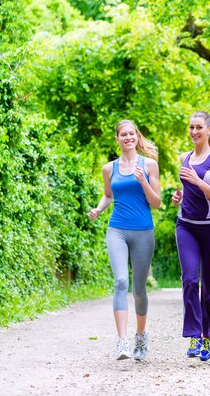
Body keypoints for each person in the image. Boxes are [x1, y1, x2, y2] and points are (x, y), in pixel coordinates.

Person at [89, 120, 161, 361]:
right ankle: (122, 342)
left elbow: (156, 202)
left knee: (139, 289)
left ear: (137, 137)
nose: (128, 137)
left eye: (132, 134)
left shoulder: (149, 165)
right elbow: (109, 195)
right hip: (117, 229)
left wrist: (143, 181)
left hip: (143, 230)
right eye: (123, 134)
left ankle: (141, 336)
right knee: (121, 281)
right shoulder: (109, 169)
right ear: (117, 139)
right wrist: (98, 209)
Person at [171, 111, 210, 362]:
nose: (194, 131)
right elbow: (187, 193)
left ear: (208, 130)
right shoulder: (184, 158)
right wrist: (178, 197)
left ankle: (208, 336)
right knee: (189, 280)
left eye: (198, 127)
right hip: (186, 227)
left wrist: (197, 180)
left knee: (208, 287)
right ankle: (195, 334)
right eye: (191, 127)